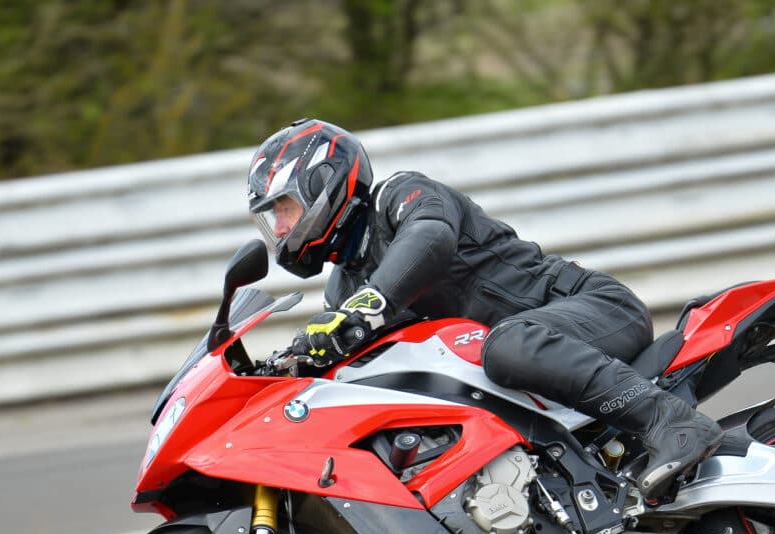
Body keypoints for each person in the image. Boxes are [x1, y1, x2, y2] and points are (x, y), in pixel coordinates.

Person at [248, 119, 722, 498]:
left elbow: (430, 237)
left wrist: (364, 307)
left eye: (285, 208)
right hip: (516, 377)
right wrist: (286, 365)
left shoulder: (399, 196)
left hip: (594, 309)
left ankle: (670, 421)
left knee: (508, 343)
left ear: (322, 182)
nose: (281, 225)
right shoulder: (343, 287)